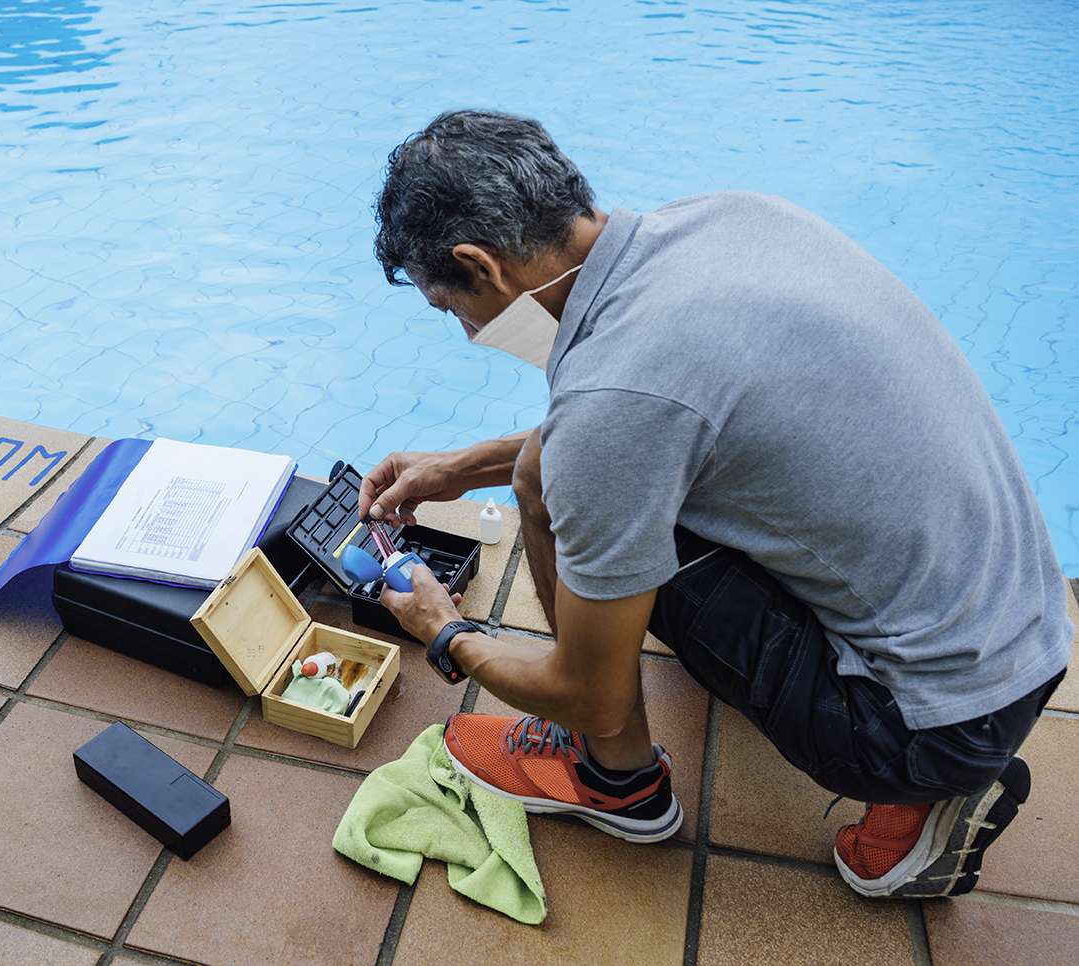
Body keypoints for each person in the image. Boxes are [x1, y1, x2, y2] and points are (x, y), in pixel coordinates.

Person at [358, 109, 1073, 898]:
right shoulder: (726, 217)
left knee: (559, 485)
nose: (465, 331)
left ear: (481, 267)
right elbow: (654, 414)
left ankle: (617, 782)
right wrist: (462, 467)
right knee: (562, 468)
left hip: (920, 724)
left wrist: (444, 630)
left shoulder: (613, 404)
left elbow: (589, 676)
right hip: (1021, 632)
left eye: (447, 308)